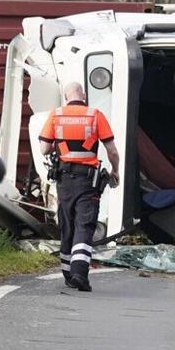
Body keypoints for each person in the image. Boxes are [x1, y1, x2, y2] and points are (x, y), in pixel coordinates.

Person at [39, 83, 120, 292]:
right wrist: (115, 170)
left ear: (66, 97)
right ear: (83, 95)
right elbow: (112, 151)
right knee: (84, 225)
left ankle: (68, 273)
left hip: (64, 180)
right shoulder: (95, 115)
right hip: (87, 182)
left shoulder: (56, 115)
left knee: (67, 224)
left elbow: (44, 148)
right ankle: (79, 273)